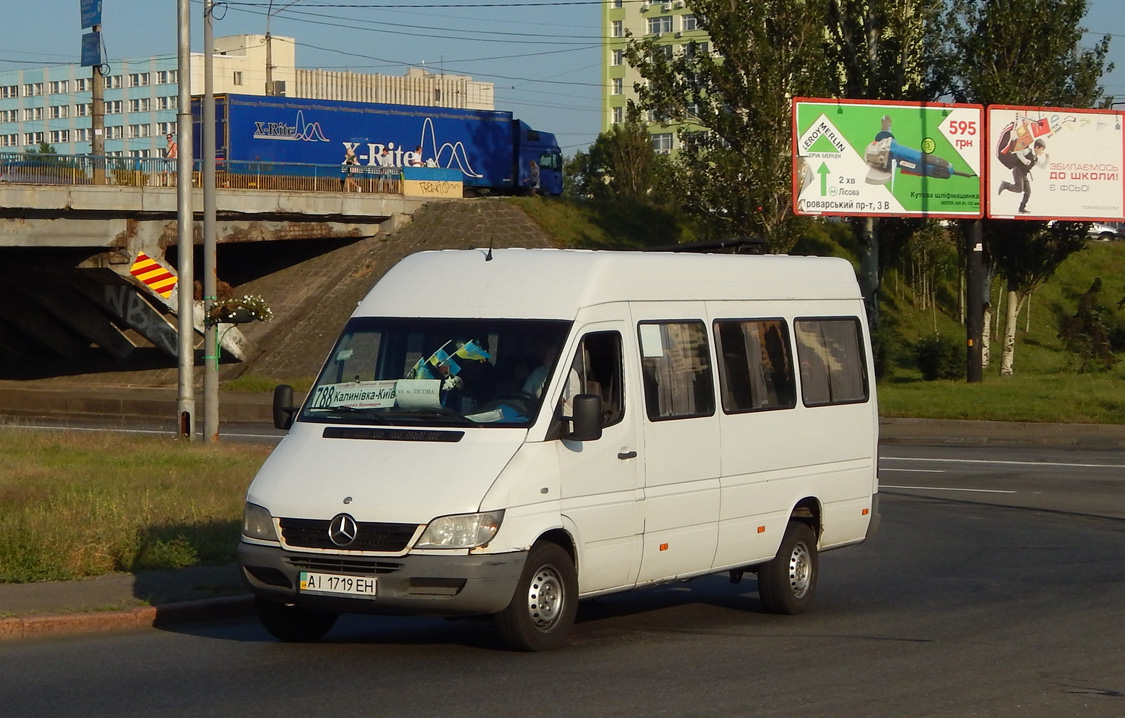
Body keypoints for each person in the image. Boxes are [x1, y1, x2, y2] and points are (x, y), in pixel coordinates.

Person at [997, 138, 1046, 214]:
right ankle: (1005, 185)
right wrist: (1025, 160)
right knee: (1019, 188)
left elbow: (1043, 166)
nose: (1042, 152)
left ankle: (1021, 209)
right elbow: (1018, 153)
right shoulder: (1028, 151)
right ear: (1037, 148)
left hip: (1024, 174)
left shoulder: (1036, 158)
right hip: (1018, 170)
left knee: (1028, 192)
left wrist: (1047, 159)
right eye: (1042, 149)